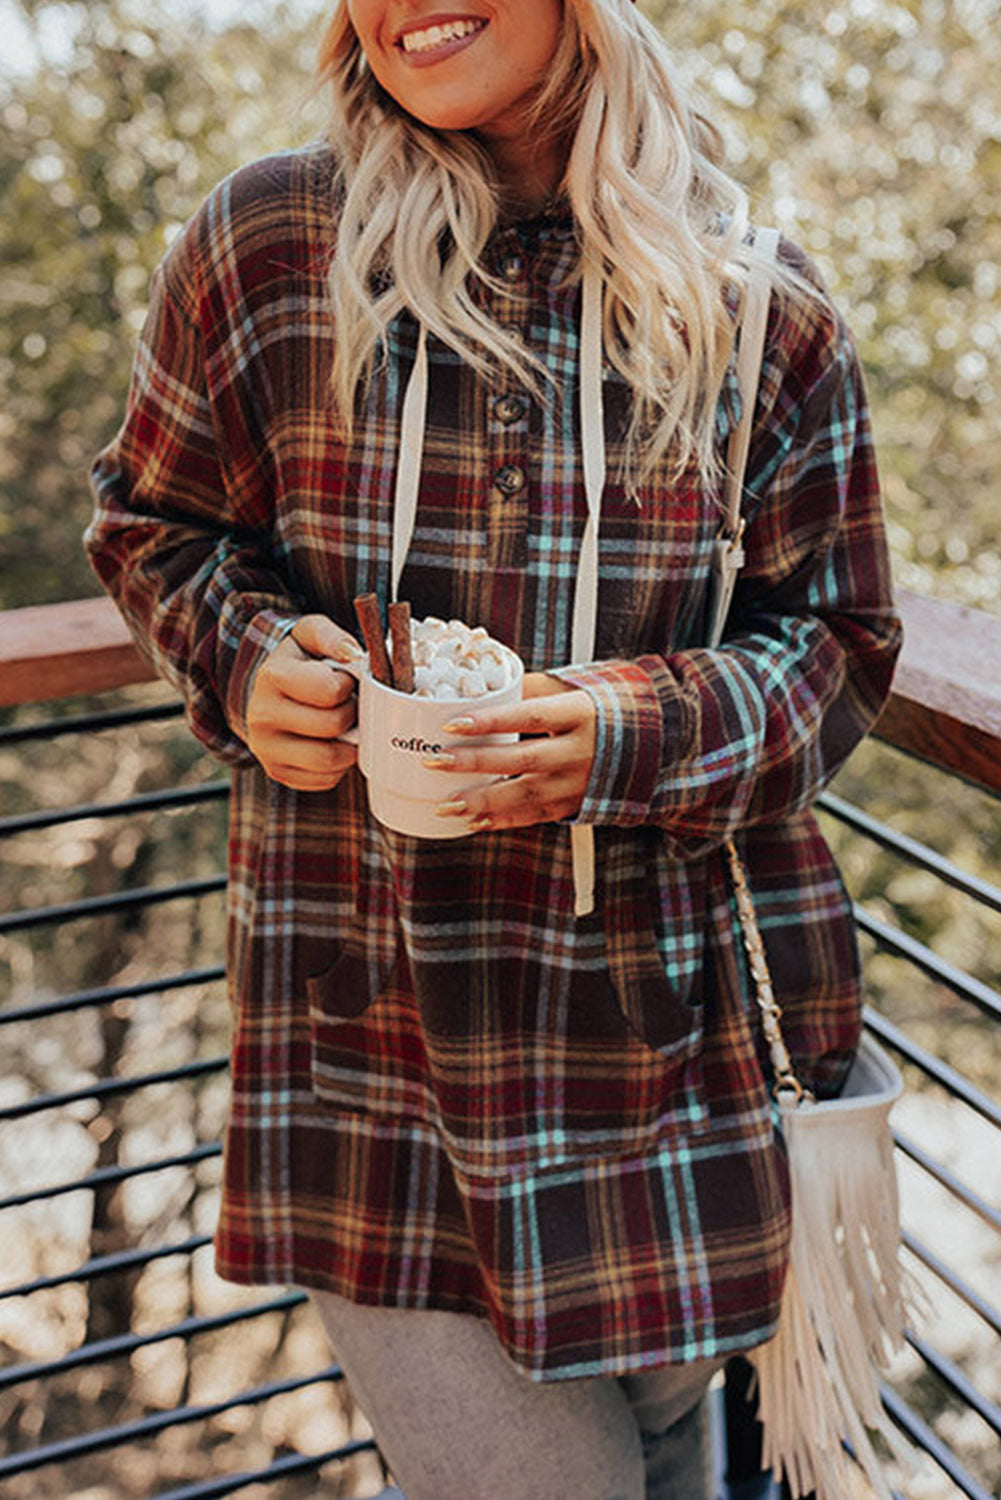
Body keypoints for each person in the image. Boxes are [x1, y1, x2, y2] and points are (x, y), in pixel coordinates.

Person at [85, 1, 902, 1496]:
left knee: (676, 1470)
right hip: (370, 1050)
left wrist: (621, 732)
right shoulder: (268, 244)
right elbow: (153, 524)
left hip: (673, 1055)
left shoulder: (756, 299)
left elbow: (835, 640)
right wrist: (247, 657)